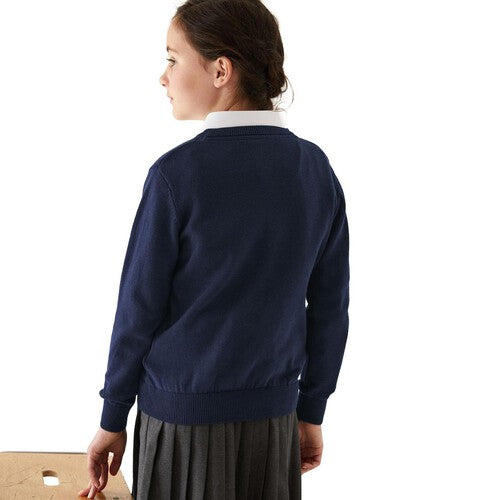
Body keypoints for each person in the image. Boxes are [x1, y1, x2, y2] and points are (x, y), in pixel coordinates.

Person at [78, 0, 350, 498]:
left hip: (182, 423)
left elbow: (138, 309)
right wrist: (311, 411)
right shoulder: (315, 171)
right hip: (274, 423)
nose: (163, 77)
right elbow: (331, 307)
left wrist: (112, 417)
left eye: (172, 59)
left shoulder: (176, 175)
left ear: (221, 70)